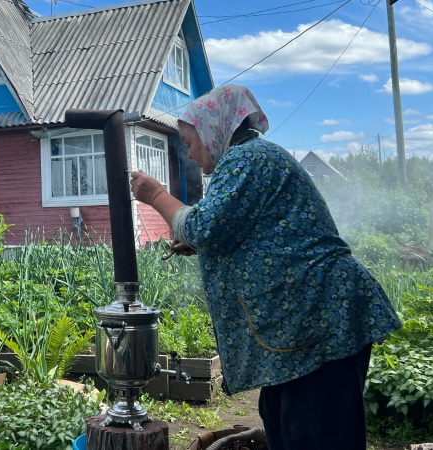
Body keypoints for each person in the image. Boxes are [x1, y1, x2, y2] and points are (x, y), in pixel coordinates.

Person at [130, 84, 402, 450]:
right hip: (302, 326)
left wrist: (156, 195)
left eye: (189, 142)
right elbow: (243, 230)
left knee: (313, 433)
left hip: (317, 320)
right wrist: (200, 244)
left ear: (213, 132)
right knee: (284, 423)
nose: (190, 154)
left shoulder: (248, 159)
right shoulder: (249, 160)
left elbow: (205, 228)